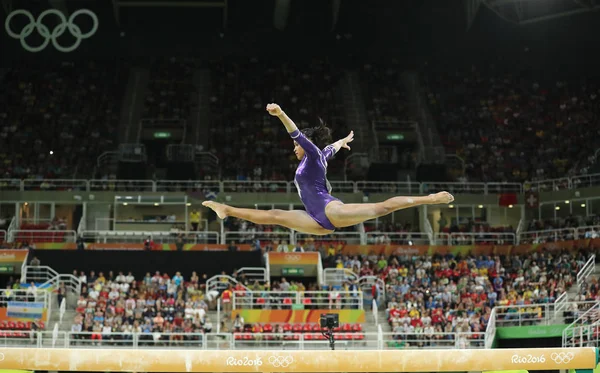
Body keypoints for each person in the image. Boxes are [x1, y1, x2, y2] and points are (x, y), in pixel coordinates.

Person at [203, 103, 454, 235]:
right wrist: (342, 142)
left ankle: (430, 198)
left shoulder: (311, 153)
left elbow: (297, 133)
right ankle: (226, 209)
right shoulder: (317, 155)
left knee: (383, 208)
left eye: (295, 147)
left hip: (329, 210)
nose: (294, 148)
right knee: (275, 215)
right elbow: (330, 148)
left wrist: (280, 114)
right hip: (314, 220)